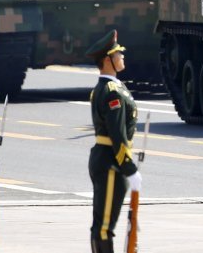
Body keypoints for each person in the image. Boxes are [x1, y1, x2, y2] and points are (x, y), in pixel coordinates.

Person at [87, 30, 141, 253]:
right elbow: (117, 135)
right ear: (108, 60)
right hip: (111, 163)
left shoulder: (109, 88)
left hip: (105, 158)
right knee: (104, 228)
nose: (122, 57)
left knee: (102, 225)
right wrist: (129, 168)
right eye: (118, 54)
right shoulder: (112, 92)